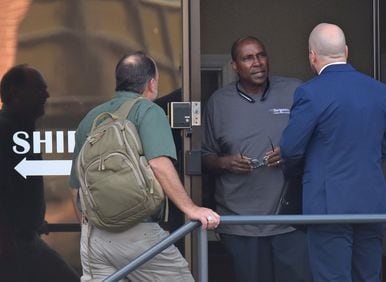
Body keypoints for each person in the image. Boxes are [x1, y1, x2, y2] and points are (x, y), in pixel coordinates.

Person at [69, 51, 220, 281]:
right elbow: (159, 164)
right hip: (138, 232)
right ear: (151, 83)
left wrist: (88, 227)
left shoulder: (91, 118)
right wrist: (191, 209)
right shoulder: (148, 111)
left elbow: (76, 185)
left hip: (94, 238)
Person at [280, 23, 386, 282]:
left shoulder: (310, 92)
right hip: (372, 203)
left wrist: (300, 174)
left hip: (328, 205)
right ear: (346, 50)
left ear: (312, 55)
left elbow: (291, 149)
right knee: (368, 276)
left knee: (332, 277)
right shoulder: (379, 90)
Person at [202, 36, 312, 282]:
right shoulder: (219, 102)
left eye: (261, 55)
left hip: (290, 219)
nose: (257, 63)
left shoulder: (296, 91)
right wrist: (225, 162)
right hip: (241, 222)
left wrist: (289, 152)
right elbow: (204, 157)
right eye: (248, 58)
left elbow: (318, 142)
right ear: (234, 65)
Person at [0, 64, 79, 281]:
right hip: (13, 245)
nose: (47, 95)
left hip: (24, 240)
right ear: (16, 92)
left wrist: (33, 221)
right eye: (38, 89)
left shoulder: (21, 130)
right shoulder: (6, 131)